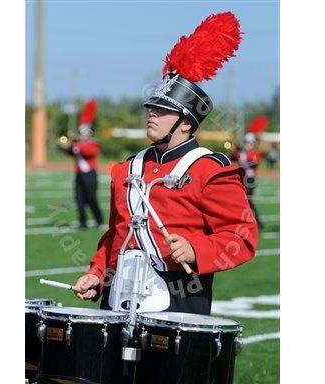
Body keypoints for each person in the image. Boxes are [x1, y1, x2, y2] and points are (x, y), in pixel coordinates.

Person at [74, 12, 259, 315]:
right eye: (151, 108)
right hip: (118, 294)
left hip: (180, 298)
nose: (152, 114)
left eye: (162, 110)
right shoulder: (126, 169)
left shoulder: (210, 171)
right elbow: (116, 236)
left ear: (186, 123)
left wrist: (196, 250)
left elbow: (243, 236)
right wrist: (96, 273)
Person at [57, 100, 104, 229]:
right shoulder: (78, 144)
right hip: (79, 174)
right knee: (79, 200)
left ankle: (99, 220)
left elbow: (89, 153)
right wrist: (64, 147)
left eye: (84, 133)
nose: (82, 134)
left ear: (89, 133)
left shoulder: (93, 143)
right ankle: (82, 222)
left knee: (91, 199)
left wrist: (77, 143)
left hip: (90, 174)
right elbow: (71, 153)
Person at [231, 133, 264, 230]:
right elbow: (232, 156)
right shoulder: (242, 152)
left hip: (250, 179)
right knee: (241, 200)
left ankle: (257, 222)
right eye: (246, 142)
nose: (247, 144)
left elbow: (254, 162)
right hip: (242, 178)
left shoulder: (254, 153)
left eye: (249, 143)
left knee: (248, 200)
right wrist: (236, 149)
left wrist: (242, 153)